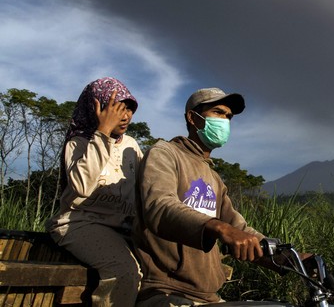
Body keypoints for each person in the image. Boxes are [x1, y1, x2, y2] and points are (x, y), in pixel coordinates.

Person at [133, 87, 265, 306]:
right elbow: (159, 206)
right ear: (193, 118)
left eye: (229, 117)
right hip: (166, 291)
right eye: (218, 113)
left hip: (209, 297)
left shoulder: (214, 177)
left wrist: (286, 256)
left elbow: (239, 228)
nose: (225, 121)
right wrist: (220, 228)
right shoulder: (164, 153)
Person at [46, 77, 143, 306]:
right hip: (80, 223)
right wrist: (102, 133)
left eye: (129, 108)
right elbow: (81, 186)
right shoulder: (79, 142)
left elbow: (143, 189)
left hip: (124, 227)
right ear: (96, 108)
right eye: (116, 108)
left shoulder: (131, 145)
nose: (125, 115)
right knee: (124, 271)